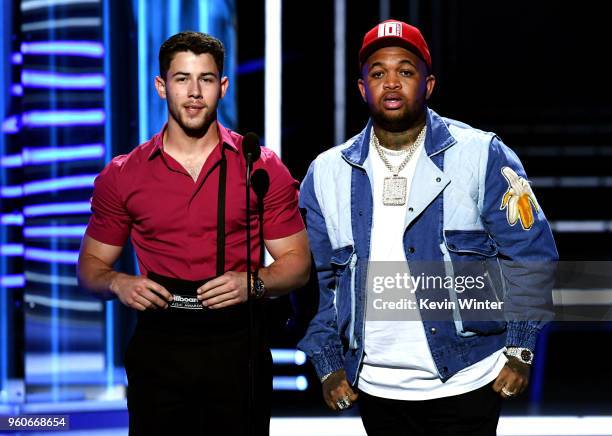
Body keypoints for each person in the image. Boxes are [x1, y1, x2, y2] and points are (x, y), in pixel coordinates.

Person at [298, 19, 557, 435]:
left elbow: (531, 253)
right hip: (375, 386)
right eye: (378, 73)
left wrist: (520, 349)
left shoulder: (480, 153)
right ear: (363, 88)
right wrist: (328, 365)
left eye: (406, 71)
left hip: (469, 376)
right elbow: (319, 282)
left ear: (429, 84)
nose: (392, 83)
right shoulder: (327, 172)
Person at [77, 31, 310, 436]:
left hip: (237, 343)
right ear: (161, 86)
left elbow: (298, 265)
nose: (194, 92)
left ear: (222, 87)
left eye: (205, 79)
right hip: (159, 342)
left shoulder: (261, 167)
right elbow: (90, 267)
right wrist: (118, 282)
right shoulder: (123, 174)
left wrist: (252, 283)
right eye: (182, 78)